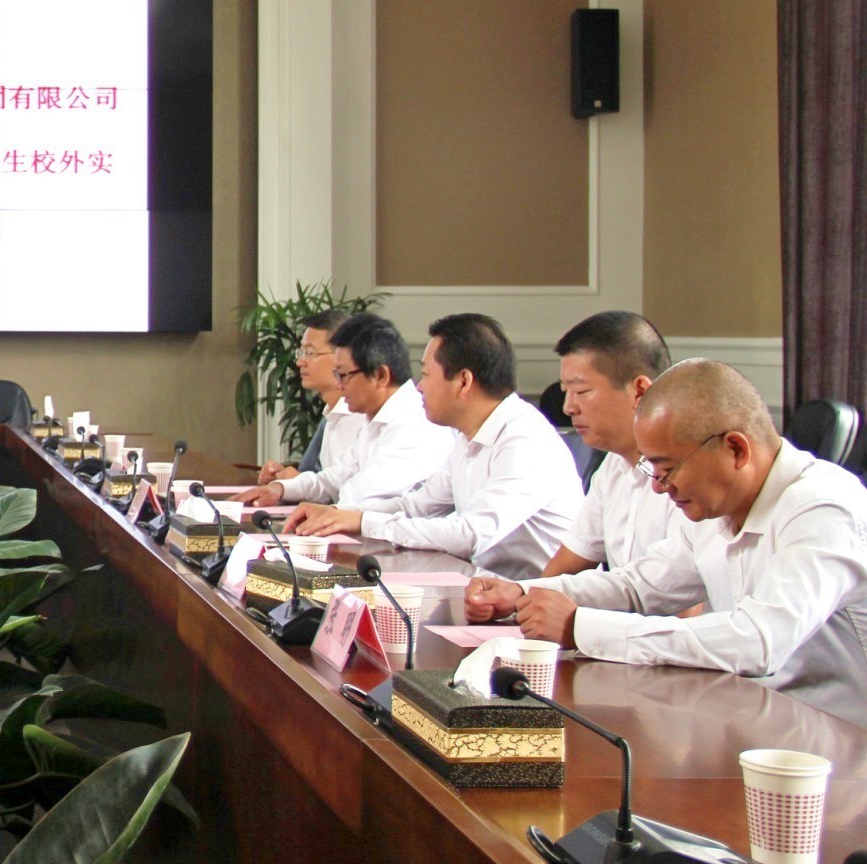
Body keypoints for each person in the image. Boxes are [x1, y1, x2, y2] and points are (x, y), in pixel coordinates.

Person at [464, 360, 867, 729]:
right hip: (752, 717)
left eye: (667, 468)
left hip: (838, 745)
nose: (658, 486)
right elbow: (639, 587)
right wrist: (523, 594)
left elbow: (758, 641)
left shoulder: (823, 508)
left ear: (735, 449)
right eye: (651, 467)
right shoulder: (718, 507)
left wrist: (580, 627)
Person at [286, 313, 582, 580]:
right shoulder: (469, 435)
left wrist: (363, 521)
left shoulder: (524, 440)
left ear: (463, 381)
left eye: (427, 374)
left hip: (533, 604)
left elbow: (470, 534)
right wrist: (343, 515)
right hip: (486, 589)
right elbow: (418, 506)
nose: (419, 387)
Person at [237, 313, 453, 510]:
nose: (339, 385)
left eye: (344, 375)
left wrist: (320, 510)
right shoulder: (376, 419)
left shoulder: (416, 423)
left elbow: (361, 497)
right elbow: (334, 479)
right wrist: (280, 489)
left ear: (380, 376)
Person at [536, 311, 682, 578]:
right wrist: (521, 593)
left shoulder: (689, 473)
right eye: (566, 392)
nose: (568, 408)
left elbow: (674, 595)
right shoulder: (613, 465)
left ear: (640, 391)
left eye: (581, 391)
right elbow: (564, 570)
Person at [253, 309, 364, 484]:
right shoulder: (332, 414)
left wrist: (299, 481)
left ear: (342, 356)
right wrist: (286, 479)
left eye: (310, 353)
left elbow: (350, 491)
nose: (300, 362)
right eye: (301, 352)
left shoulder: (360, 417)